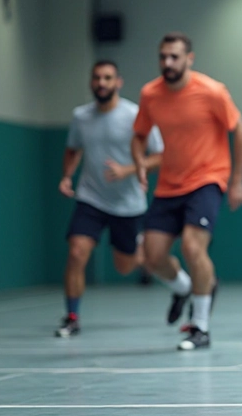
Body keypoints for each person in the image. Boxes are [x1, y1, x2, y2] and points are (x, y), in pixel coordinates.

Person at [132, 32, 242, 351]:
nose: (168, 63)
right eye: (163, 57)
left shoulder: (211, 91)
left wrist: (237, 180)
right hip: (169, 184)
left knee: (192, 248)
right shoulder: (150, 94)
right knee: (152, 256)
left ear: (189, 58)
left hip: (207, 179)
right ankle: (185, 287)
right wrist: (139, 164)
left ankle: (200, 326)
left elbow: (239, 130)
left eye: (174, 56)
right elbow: (139, 135)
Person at [55, 60, 168, 337]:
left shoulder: (135, 115)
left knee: (124, 266)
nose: (101, 83)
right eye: (96, 78)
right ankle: (72, 316)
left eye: (107, 78)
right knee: (77, 252)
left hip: (127, 203)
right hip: (90, 197)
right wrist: (67, 176)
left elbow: (160, 155)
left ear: (119, 82)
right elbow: (73, 149)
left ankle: (139, 252)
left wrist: (129, 170)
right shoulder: (81, 117)